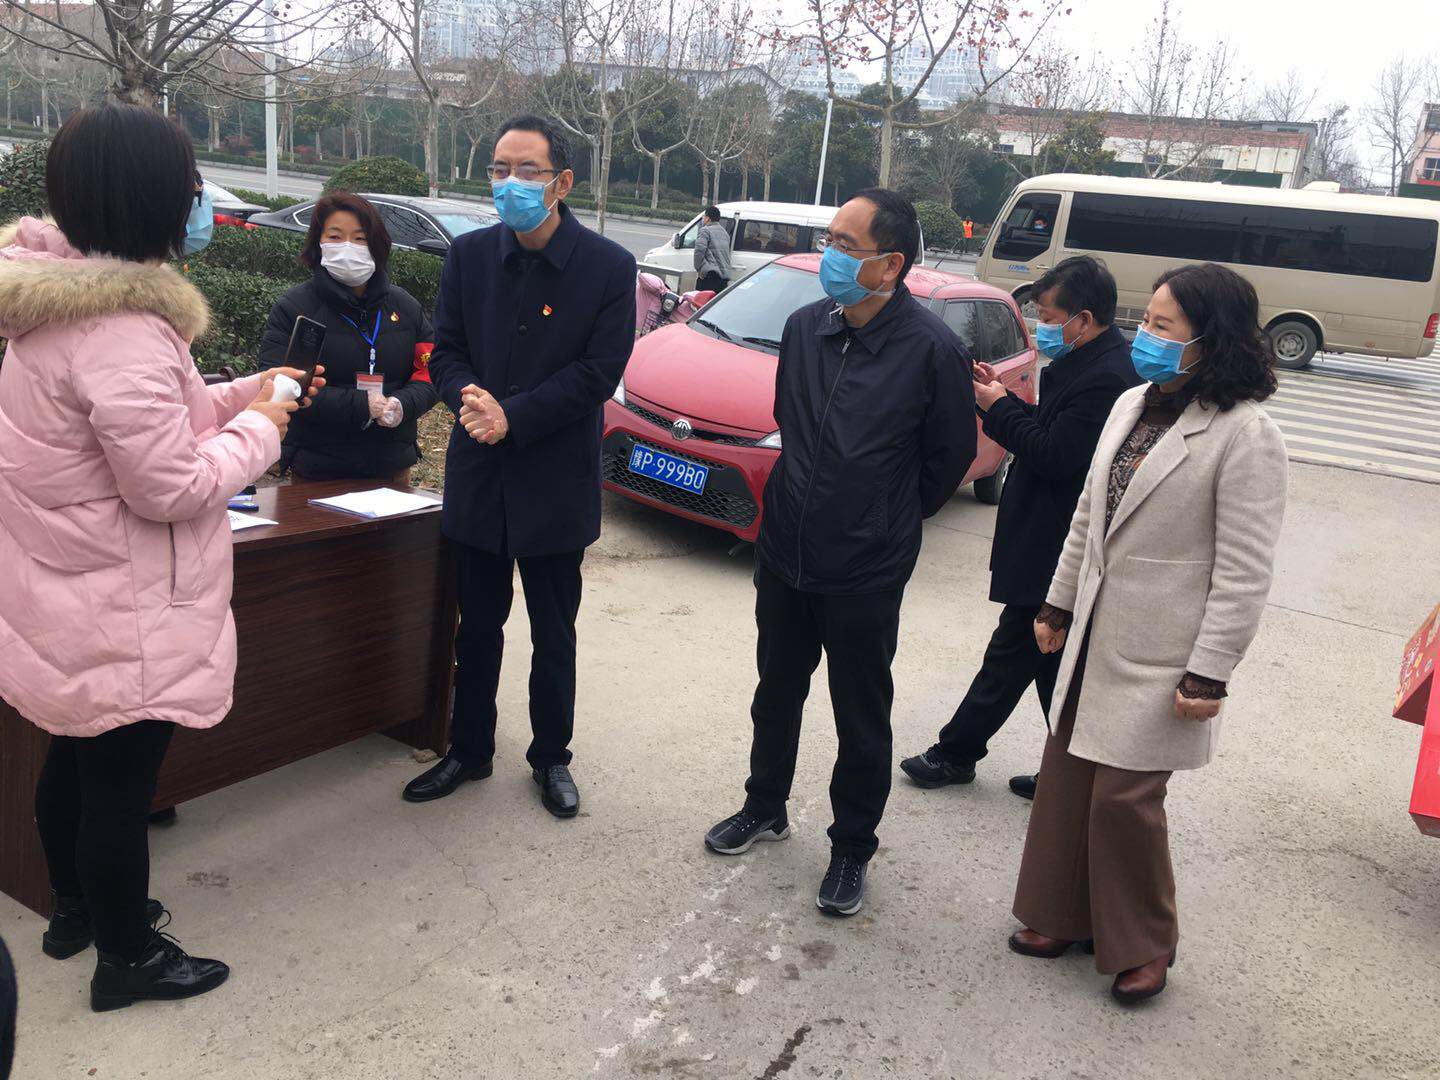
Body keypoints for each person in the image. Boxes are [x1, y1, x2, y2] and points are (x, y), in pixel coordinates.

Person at [0, 104, 320, 1011]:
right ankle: (127, 957)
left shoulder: (57, 306)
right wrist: (263, 428)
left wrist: (241, 394)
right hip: (125, 601)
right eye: (189, 188)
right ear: (147, 199)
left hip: (68, 590)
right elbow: (171, 486)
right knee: (118, 785)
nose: (198, 203)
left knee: (75, 756)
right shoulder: (124, 329)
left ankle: (75, 912)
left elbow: (142, 424)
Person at [1009, 262, 1287, 1003]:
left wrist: (1210, 670)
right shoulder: (1133, 402)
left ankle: (1144, 943)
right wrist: (1057, 604)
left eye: (1165, 326)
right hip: (1093, 632)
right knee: (1069, 779)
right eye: (1148, 320)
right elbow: (1087, 515)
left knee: (1124, 800)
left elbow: (1245, 569)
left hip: (1163, 649)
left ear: (1210, 338)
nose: (1146, 337)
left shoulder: (1245, 434)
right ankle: (1060, 916)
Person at [703, 189, 976, 917]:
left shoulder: (934, 351)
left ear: (891, 264)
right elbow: (790, 421)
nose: (830, 255)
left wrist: (881, 518)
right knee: (775, 693)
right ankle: (764, 806)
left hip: (865, 568)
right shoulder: (804, 328)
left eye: (847, 246)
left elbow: (947, 460)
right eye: (830, 240)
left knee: (861, 715)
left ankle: (852, 847)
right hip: (785, 549)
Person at [403, 115, 635, 817]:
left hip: (554, 480)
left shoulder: (608, 267)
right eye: (499, 169)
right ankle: (468, 748)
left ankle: (551, 757)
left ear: (562, 182)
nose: (510, 183)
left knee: (553, 633)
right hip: (480, 473)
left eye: (526, 170)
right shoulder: (470, 256)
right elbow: (445, 350)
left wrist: (516, 416)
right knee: (476, 628)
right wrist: (470, 401)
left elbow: (598, 372)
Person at [901, 256, 1140, 801]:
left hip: (1058, 544)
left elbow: (1055, 455)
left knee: (1014, 652)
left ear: (1082, 320)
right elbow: (1051, 431)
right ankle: (1071, 771)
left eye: (1049, 317)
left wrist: (997, 409)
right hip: (1046, 537)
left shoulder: (1107, 377)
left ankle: (956, 753)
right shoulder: (1088, 363)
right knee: (1047, 662)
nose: (1041, 328)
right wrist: (1004, 401)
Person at [259, 193, 436, 484]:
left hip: (392, 465)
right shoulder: (295, 307)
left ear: (377, 245)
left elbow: (431, 371)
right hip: (318, 467)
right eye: (335, 236)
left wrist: (403, 403)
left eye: (360, 238)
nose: (347, 247)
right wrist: (360, 405)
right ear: (318, 243)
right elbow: (281, 384)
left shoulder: (405, 307)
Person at [693, 205, 733, 293]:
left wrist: (698, 268)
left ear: (708, 218)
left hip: (709, 276)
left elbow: (699, 250)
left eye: (704, 216)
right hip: (723, 278)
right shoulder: (725, 233)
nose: (703, 219)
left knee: (701, 300)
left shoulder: (705, 230)